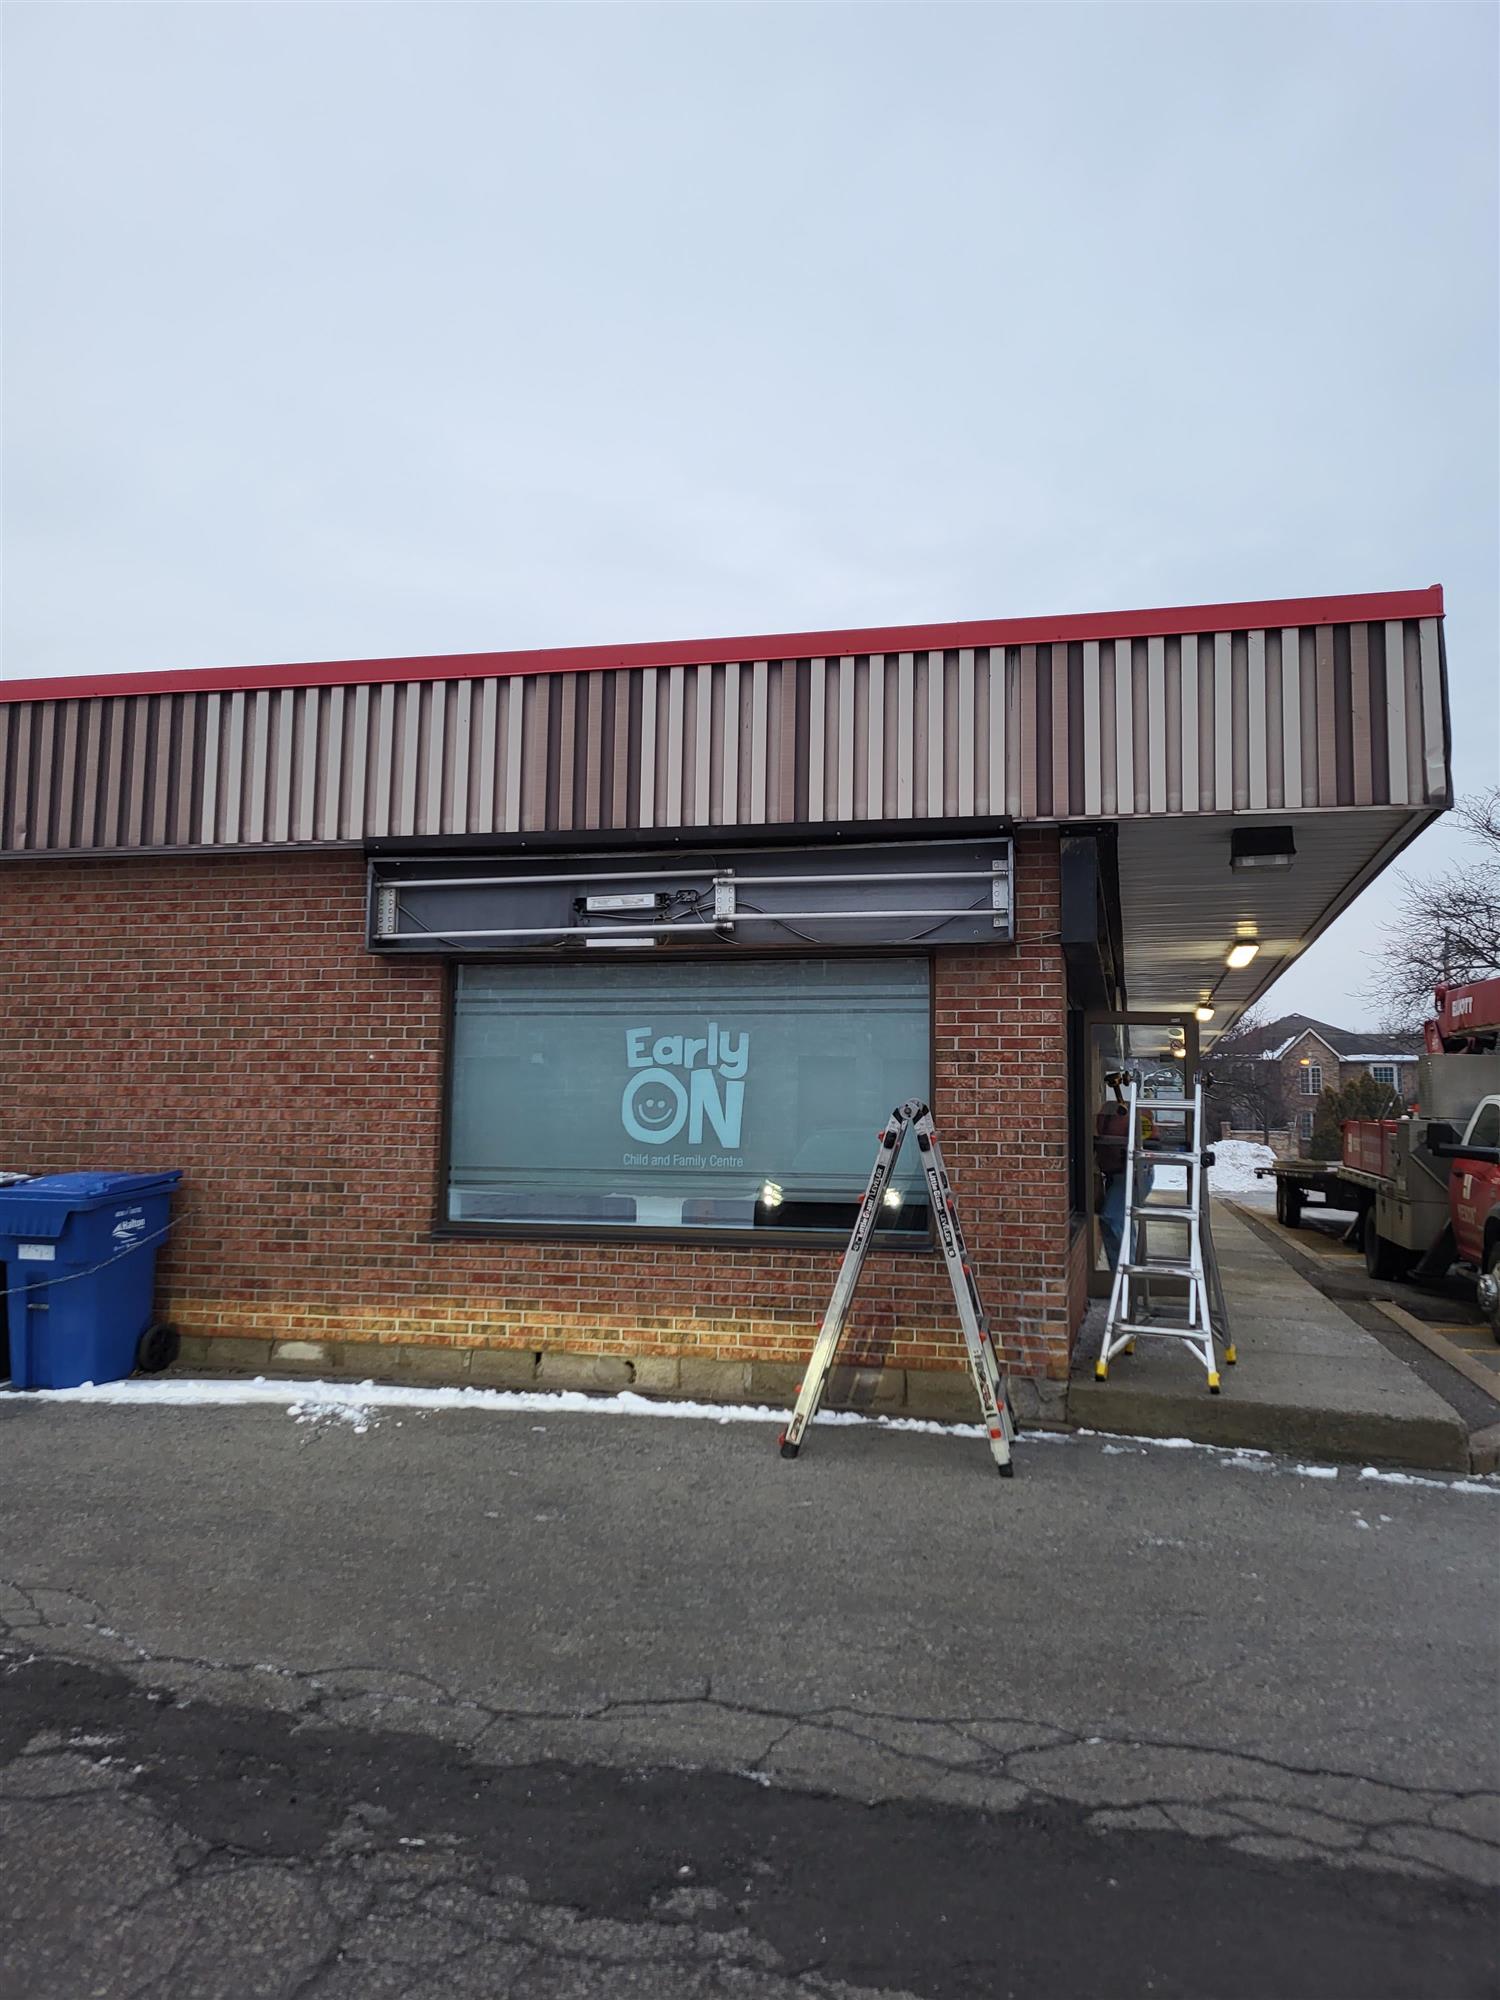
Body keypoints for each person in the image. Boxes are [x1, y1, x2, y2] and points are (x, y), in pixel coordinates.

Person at [1096, 1071, 1154, 1266]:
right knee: (1120, 1221)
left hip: (1132, 1171)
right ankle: (1127, 1273)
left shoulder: (1139, 1113)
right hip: (1115, 1174)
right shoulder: (1107, 1111)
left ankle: (1125, 1272)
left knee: (1113, 1218)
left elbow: (1151, 1141)